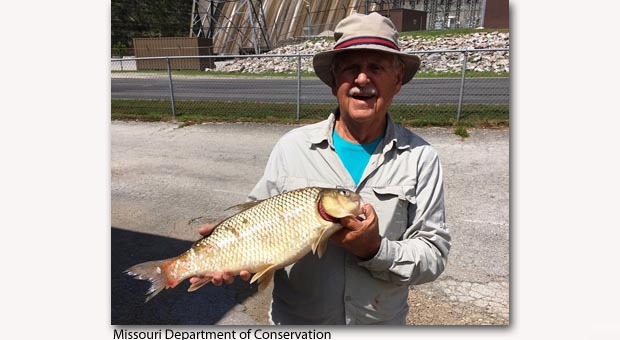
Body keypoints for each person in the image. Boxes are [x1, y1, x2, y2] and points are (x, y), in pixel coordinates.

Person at [192, 12, 451, 325]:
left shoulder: (421, 157)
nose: (362, 79)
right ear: (333, 82)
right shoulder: (292, 147)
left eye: (377, 67)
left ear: (397, 81)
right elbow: (256, 218)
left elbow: (433, 254)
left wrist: (375, 250)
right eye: (351, 67)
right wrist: (230, 246)